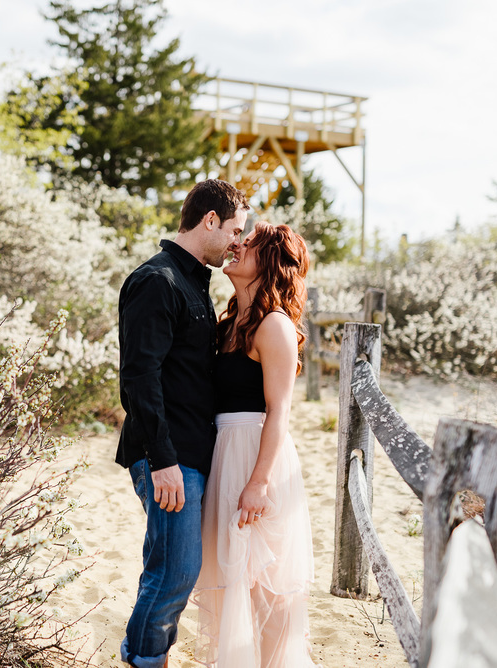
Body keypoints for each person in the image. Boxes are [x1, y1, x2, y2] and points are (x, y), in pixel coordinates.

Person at [115, 179, 249, 668]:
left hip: (190, 451)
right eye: (235, 230)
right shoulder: (159, 280)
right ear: (209, 220)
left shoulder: (193, 280)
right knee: (174, 573)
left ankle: (147, 657)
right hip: (168, 456)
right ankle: (144, 660)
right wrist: (162, 460)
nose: (238, 241)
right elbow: (138, 378)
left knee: (171, 570)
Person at [193, 222, 316, 668]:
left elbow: (279, 410)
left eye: (249, 243)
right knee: (232, 579)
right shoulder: (230, 323)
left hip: (258, 459)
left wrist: (259, 482)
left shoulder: (275, 326)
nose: (236, 245)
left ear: (269, 262)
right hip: (225, 453)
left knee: (266, 582)